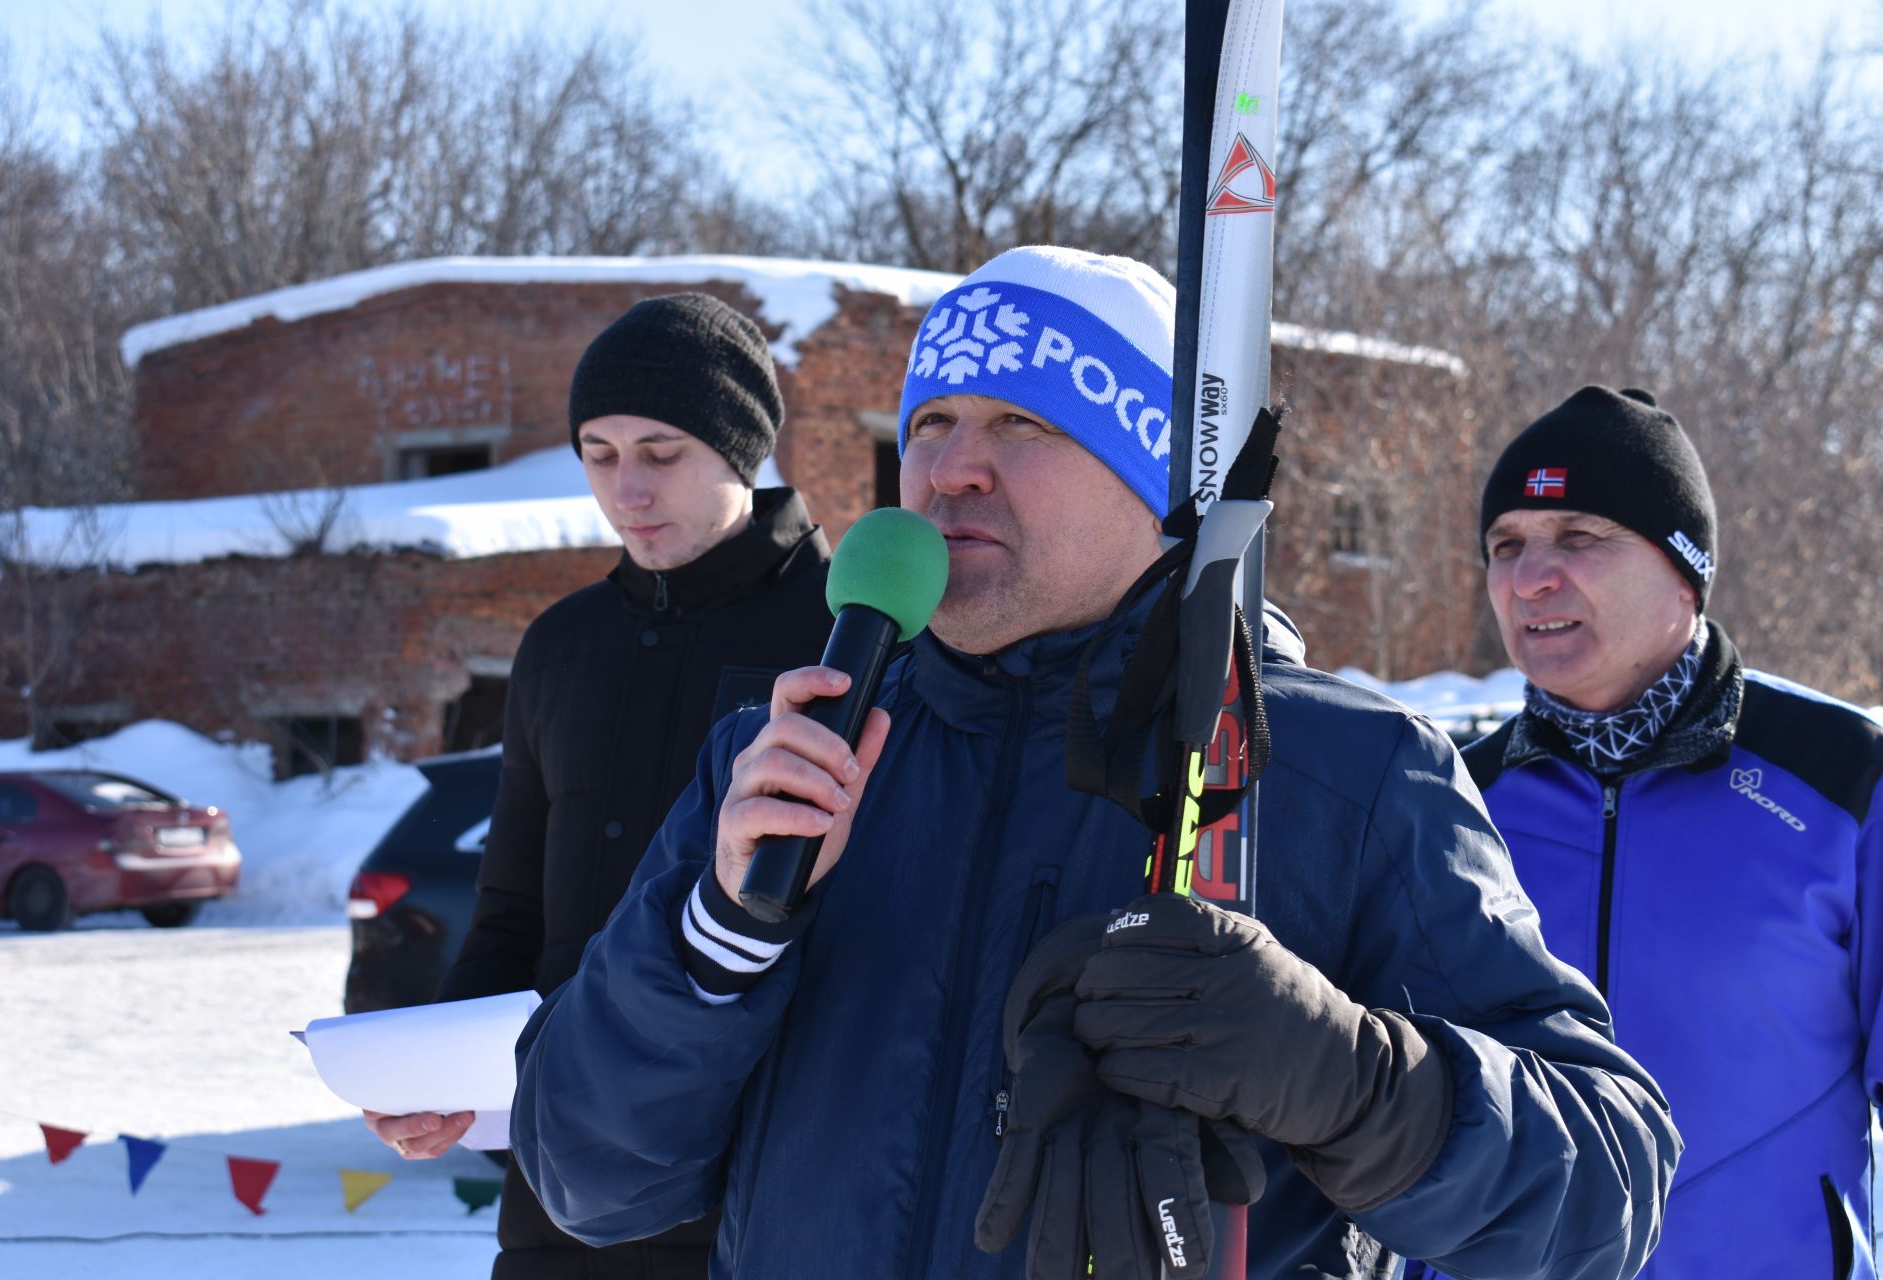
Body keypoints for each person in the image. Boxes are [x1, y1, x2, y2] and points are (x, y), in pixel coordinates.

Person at [508, 248, 1680, 1278]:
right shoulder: (782, 754)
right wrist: (718, 940)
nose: (953, 467)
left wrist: (1352, 1076)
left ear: (1156, 474)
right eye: (929, 425)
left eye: (1026, 424)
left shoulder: (1346, 771)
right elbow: (592, 1179)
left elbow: (1604, 1193)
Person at [363, 293, 837, 1280]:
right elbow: (513, 910)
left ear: (737, 447)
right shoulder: (561, 646)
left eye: (662, 453)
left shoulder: (845, 629)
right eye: (599, 452)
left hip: (774, 1175)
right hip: (565, 1185)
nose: (628, 488)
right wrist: (436, 1071)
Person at [1453, 385, 1883, 1278]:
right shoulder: (1449, 800)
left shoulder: (1842, 777)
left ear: (1684, 571)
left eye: (1580, 537)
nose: (1531, 577)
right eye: (1507, 546)